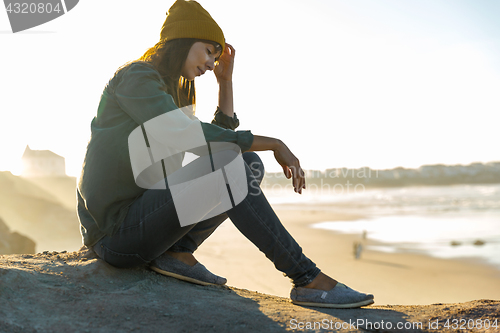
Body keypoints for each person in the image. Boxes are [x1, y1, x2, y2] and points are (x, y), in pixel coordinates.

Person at [77, 0, 374, 309]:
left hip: (145, 219)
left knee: (247, 162)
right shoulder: (136, 79)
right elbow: (191, 138)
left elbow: (212, 150)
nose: (211, 63)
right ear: (183, 39)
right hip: (116, 234)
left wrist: (226, 82)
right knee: (238, 163)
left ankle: (177, 252)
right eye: (208, 51)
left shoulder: (173, 88)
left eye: (215, 57)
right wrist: (274, 142)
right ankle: (306, 277)